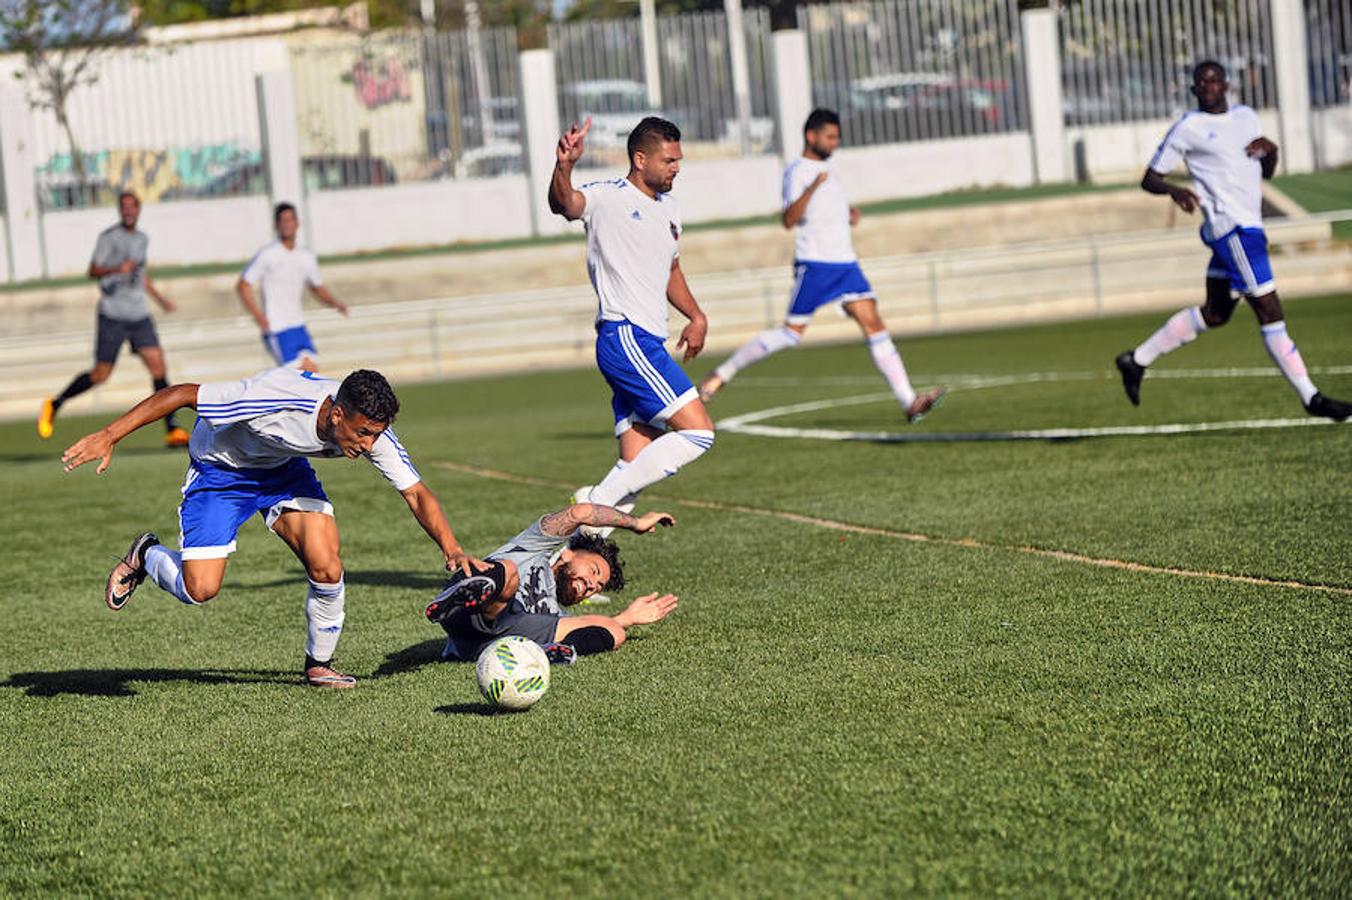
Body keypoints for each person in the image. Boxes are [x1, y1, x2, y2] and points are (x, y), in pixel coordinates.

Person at [60, 366, 485, 688]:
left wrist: (451, 549)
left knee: (327, 565)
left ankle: (318, 664)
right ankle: (146, 554)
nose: (369, 445)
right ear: (337, 415)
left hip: (282, 471)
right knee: (199, 590)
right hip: (221, 471)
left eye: (377, 435)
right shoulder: (271, 402)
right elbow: (181, 394)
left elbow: (416, 493)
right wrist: (109, 434)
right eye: (363, 433)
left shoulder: (369, 433)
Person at [1115, 61, 1352, 420]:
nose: (1208, 86)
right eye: (1201, 82)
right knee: (1269, 310)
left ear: (1227, 84)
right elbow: (1149, 178)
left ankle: (1136, 360)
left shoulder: (1246, 117)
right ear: (1194, 90)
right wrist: (1174, 191)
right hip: (1232, 229)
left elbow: (1264, 171)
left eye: (1214, 80)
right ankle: (1312, 398)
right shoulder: (1188, 128)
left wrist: (1271, 152)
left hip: (1250, 226)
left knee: (1216, 312)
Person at [698, 109, 945, 423]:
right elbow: (789, 219)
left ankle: (909, 401)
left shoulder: (829, 170)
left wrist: (847, 213)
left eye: (837, 137)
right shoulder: (799, 171)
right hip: (815, 265)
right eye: (830, 136)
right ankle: (721, 374)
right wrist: (813, 187)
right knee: (791, 334)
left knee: (875, 324)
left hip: (845, 264)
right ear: (810, 136)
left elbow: (825, 211)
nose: (835, 143)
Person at [548, 115, 715, 530]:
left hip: (646, 341)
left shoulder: (671, 208)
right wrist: (564, 166)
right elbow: (564, 205)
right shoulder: (608, 196)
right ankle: (590, 507)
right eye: (668, 160)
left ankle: (572, 555)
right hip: (626, 337)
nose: (676, 167)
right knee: (698, 433)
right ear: (640, 159)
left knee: (636, 461)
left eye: (679, 159)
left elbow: (670, 271)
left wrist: (695, 315)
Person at [425, 502, 679, 664]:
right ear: (567, 553)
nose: (591, 584)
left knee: (615, 630)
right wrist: (636, 523)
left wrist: (627, 618)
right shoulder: (535, 547)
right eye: (592, 571)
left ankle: (547, 653)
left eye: (597, 586)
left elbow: (601, 627)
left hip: (492, 641)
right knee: (508, 571)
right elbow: (580, 513)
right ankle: (460, 595)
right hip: (465, 617)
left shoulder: (556, 614)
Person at [39, 192, 189, 445]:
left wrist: (161, 300)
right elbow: (93, 270)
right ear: (120, 211)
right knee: (101, 374)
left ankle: (172, 429)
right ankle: (54, 404)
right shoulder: (109, 238)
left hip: (139, 314)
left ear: (139, 210)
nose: (129, 211)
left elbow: (142, 275)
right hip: (113, 314)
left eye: (133, 207)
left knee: (158, 366)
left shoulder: (142, 239)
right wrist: (117, 269)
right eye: (125, 207)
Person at [237, 202, 348, 371]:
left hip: (298, 325)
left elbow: (316, 286)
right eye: (283, 220)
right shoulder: (268, 254)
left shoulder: (306, 256)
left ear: (297, 223)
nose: (287, 224)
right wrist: (259, 316)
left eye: (291, 220)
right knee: (295, 379)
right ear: (276, 225)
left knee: (312, 375)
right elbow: (243, 285)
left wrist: (335, 303)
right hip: (277, 327)